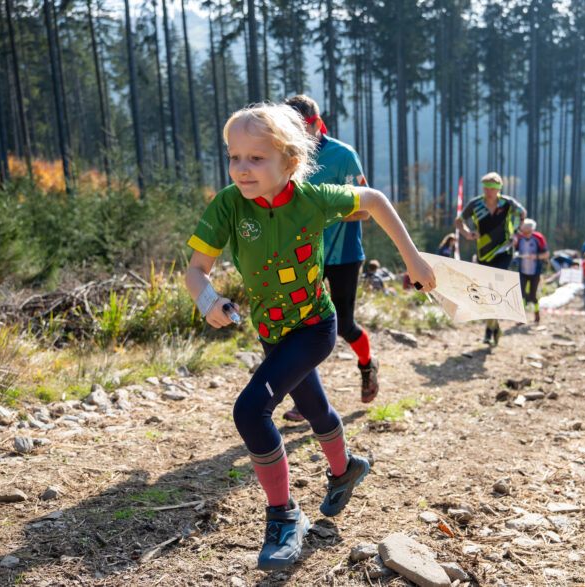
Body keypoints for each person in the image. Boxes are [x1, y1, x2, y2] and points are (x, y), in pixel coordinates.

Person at [184, 104, 436, 570]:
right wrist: (209, 301)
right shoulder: (228, 204)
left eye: (256, 158)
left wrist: (414, 259)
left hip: (316, 326)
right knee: (315, 407)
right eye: (234, 156)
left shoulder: (313, 198)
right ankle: (346, 470)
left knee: (251, 410)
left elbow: (375, 199)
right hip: (271, 331)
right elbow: (196, 270)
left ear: (290, 162)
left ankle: (283, 515)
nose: (241, 168)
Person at [282, 96, 379, 424]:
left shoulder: (343, 155)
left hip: (344, 255)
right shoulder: (285, 156)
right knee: (302, 326)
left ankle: (367, 366)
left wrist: (323, 213)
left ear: (316, 122)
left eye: (302, 127)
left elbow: (367, 209)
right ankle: (305, 400)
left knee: (345, 326)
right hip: (303, 255)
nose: (297, 134)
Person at [455, 172, 526, 345]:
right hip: (484, 253)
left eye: (492, 189)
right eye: (486, 188)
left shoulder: (508, 203)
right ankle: (493, 328)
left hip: (504, 251)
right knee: (488, 292)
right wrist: (467, 233)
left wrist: (517, 232)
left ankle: (490, 330)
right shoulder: (476, 204)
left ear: (499, 189)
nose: (489, 192)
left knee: (497, 289)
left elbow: (523, 213)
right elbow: (459, 221)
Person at [514, 218, 548, 323]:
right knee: (521, 294)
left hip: (535, 271)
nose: (526, 234)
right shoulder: (520, 238)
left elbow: (546, 254)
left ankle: (537, 314)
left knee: (533, 296)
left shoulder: (539, 238)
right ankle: (521, 317)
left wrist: (535, 256)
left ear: (532, 229)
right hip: (523, 270)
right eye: (524, 231)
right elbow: (515, 250)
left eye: (528, 231)